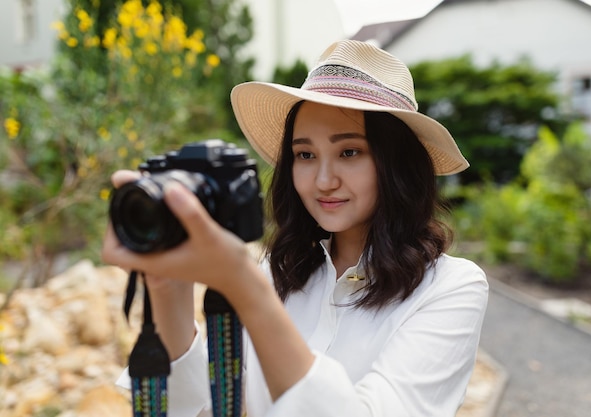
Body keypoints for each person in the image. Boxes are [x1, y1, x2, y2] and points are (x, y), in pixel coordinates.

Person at [102, 39, 489, 417]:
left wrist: (244, 286)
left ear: (398, 166)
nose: (322, 180)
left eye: (349, 152)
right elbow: (201, 406)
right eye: (305, 154)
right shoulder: (279, 272)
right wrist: (166, 284)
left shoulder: (451, 288)